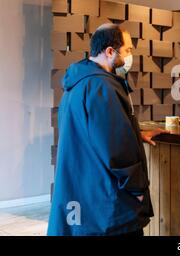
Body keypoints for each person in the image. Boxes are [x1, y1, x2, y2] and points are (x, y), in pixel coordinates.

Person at [48, 24, 168, 236]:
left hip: (87, 192)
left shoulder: (78, 82)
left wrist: (134, 134)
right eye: (128, 50)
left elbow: (92, 131)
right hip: (107, 201)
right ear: (110, 51)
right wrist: (138, 189)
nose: (130, 56)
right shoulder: (102, 86)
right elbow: (117, 149)